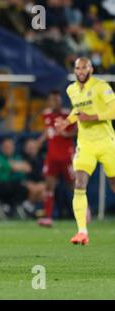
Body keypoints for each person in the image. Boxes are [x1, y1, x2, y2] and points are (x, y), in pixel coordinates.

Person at [55, 57, 115, 245]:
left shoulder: (101, 86)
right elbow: (77, 110)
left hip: (106, 142)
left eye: (84, 67)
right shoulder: (71, 89)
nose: (81, 71)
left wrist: (93, 116)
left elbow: (113, 111)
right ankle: (82, 232)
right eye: (78, 68)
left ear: (91, 68)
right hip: (85, 144)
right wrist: (67, 121)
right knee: (79, 184)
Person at [36, 90, 77, 227]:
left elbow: (77, 129)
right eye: (52, 100)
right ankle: (48, 217)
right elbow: (48, 131)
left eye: (57, 100)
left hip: (66, 157)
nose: (55, 103)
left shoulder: (67, 115)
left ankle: (85, 212)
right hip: (52, 156)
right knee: (49, 186)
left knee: (74, 186)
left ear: (61, 101)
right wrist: (40, 141)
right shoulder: (46, 114)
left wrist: (66, 133)